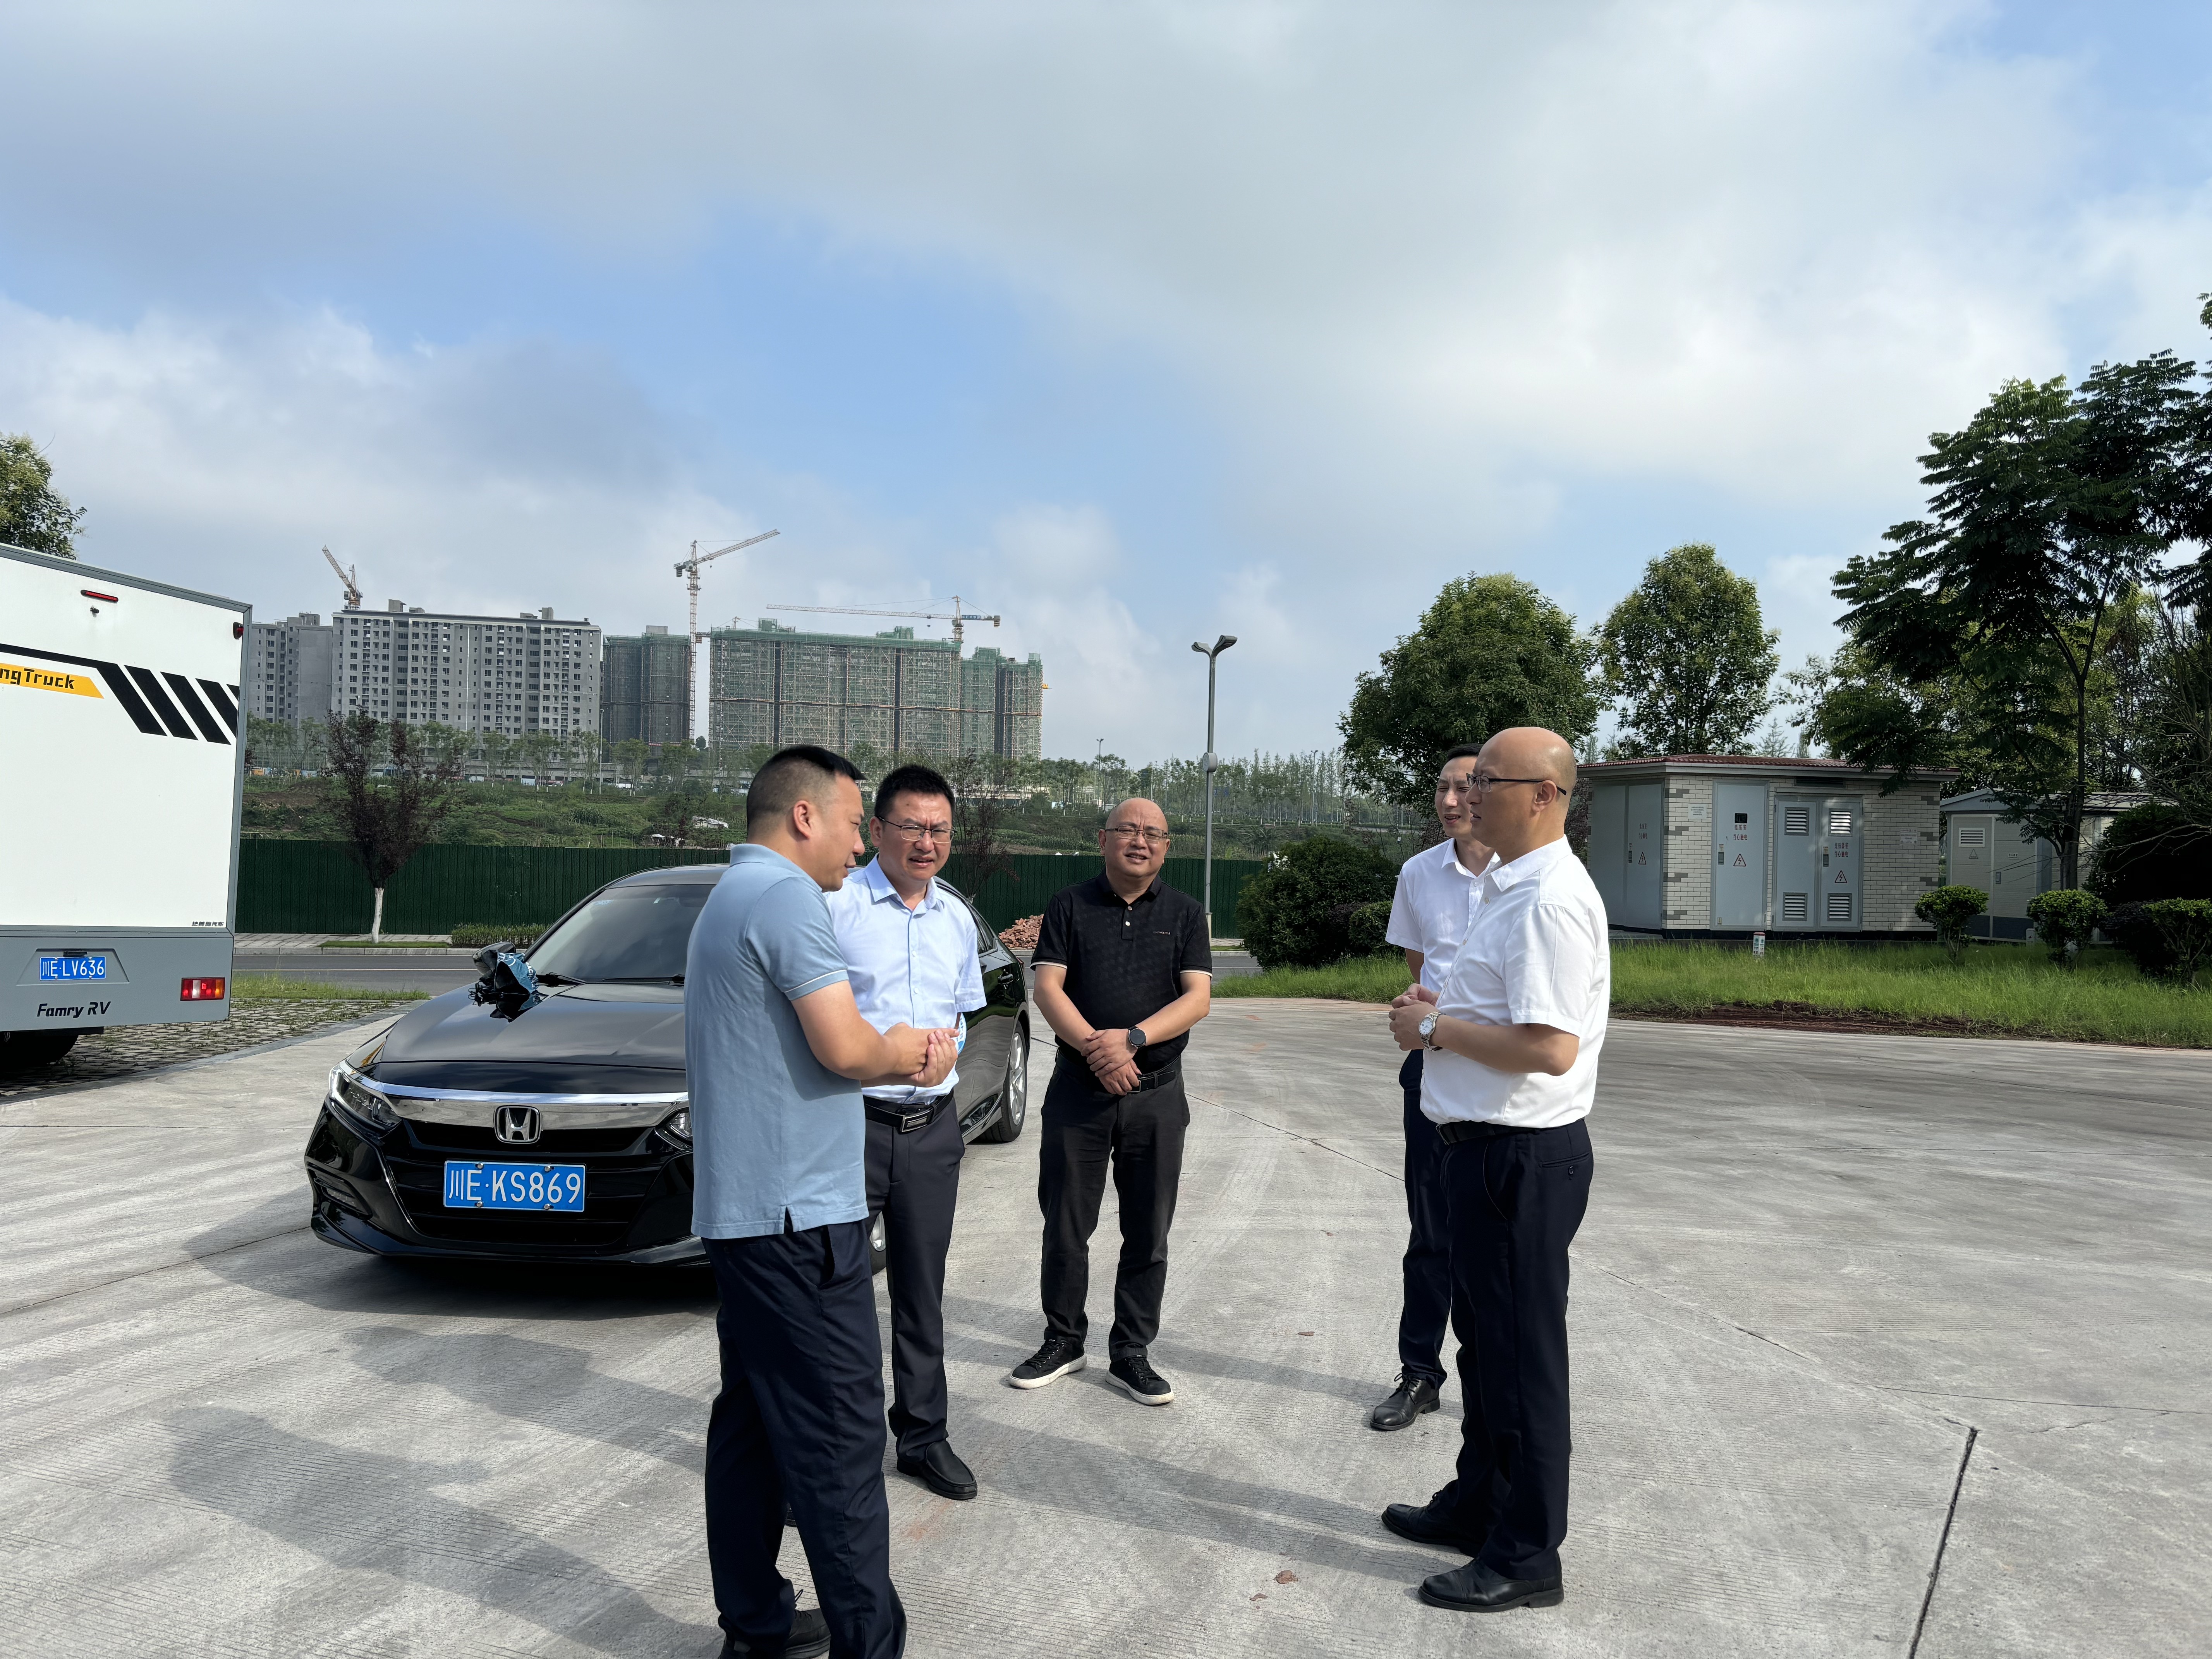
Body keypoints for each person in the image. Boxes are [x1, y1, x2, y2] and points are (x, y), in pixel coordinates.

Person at [687, 744, 957, 1659]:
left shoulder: (730, 895)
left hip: (748, 1217)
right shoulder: (787, 899)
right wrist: (914, 1051)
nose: (858, 846)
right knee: (840, 1442)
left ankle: (755, 1627)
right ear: (804, 815)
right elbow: (846, 1048)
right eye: (851, 823)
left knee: (753, 1428)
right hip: (799, 1222)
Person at [1381, 727, 1606, 1616]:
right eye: (1469, 780)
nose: (1469, 794)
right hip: (1482, 1152)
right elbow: (1511, 1014)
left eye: (1488, 781)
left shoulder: (1548, 899)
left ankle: (1526, 1553)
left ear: (1544, 795)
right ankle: (1480, 1502)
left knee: (1522, 1362)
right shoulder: (1510, 887)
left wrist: (1433, 1029)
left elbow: (1550, 1048)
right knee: (1485, 1347)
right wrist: (1446, 1007)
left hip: (1520, 1158)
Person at [1008, 797, 1212, 1406]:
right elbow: (1048, 989)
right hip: (1080, 1092)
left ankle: (1131, 1352)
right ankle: (1063, 1340)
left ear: (1167, 847)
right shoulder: (1070, 904)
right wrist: (1101, 1054)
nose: (1140, 840)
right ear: (1104, 839)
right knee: (1066, 1224)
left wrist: (1133, 1040)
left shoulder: (1186, 913)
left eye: (1154, 833)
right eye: (1128, 829)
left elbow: (1197, 999)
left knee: (1148, 1229)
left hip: (1157, 1096)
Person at [824, 762, 989, 1503]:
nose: (927, 842)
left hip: (931, 1131)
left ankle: (923, 1436)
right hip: (849, 1126)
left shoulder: (955, 917)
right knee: (837, 1293)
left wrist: (946, 1052)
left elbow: (960, 1016)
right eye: (913, 827)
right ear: (878, 829)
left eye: (940, 829)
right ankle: (836, 1449)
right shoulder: (838, 907)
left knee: (923, 1292)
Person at [1369, 744, 1495, 1432]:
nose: (1450, 801)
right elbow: (1423, 975)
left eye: (1465, 786)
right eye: (1442, 788)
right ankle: (1420, 1372)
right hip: (1430, 1071)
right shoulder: (1419, 874)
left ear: (1492, 791)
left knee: (1494, 1236)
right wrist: (1431, 1021)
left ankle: (1493, 1378)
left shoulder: (1524, 877)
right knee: (1430, 1231)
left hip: (1502, 1076)